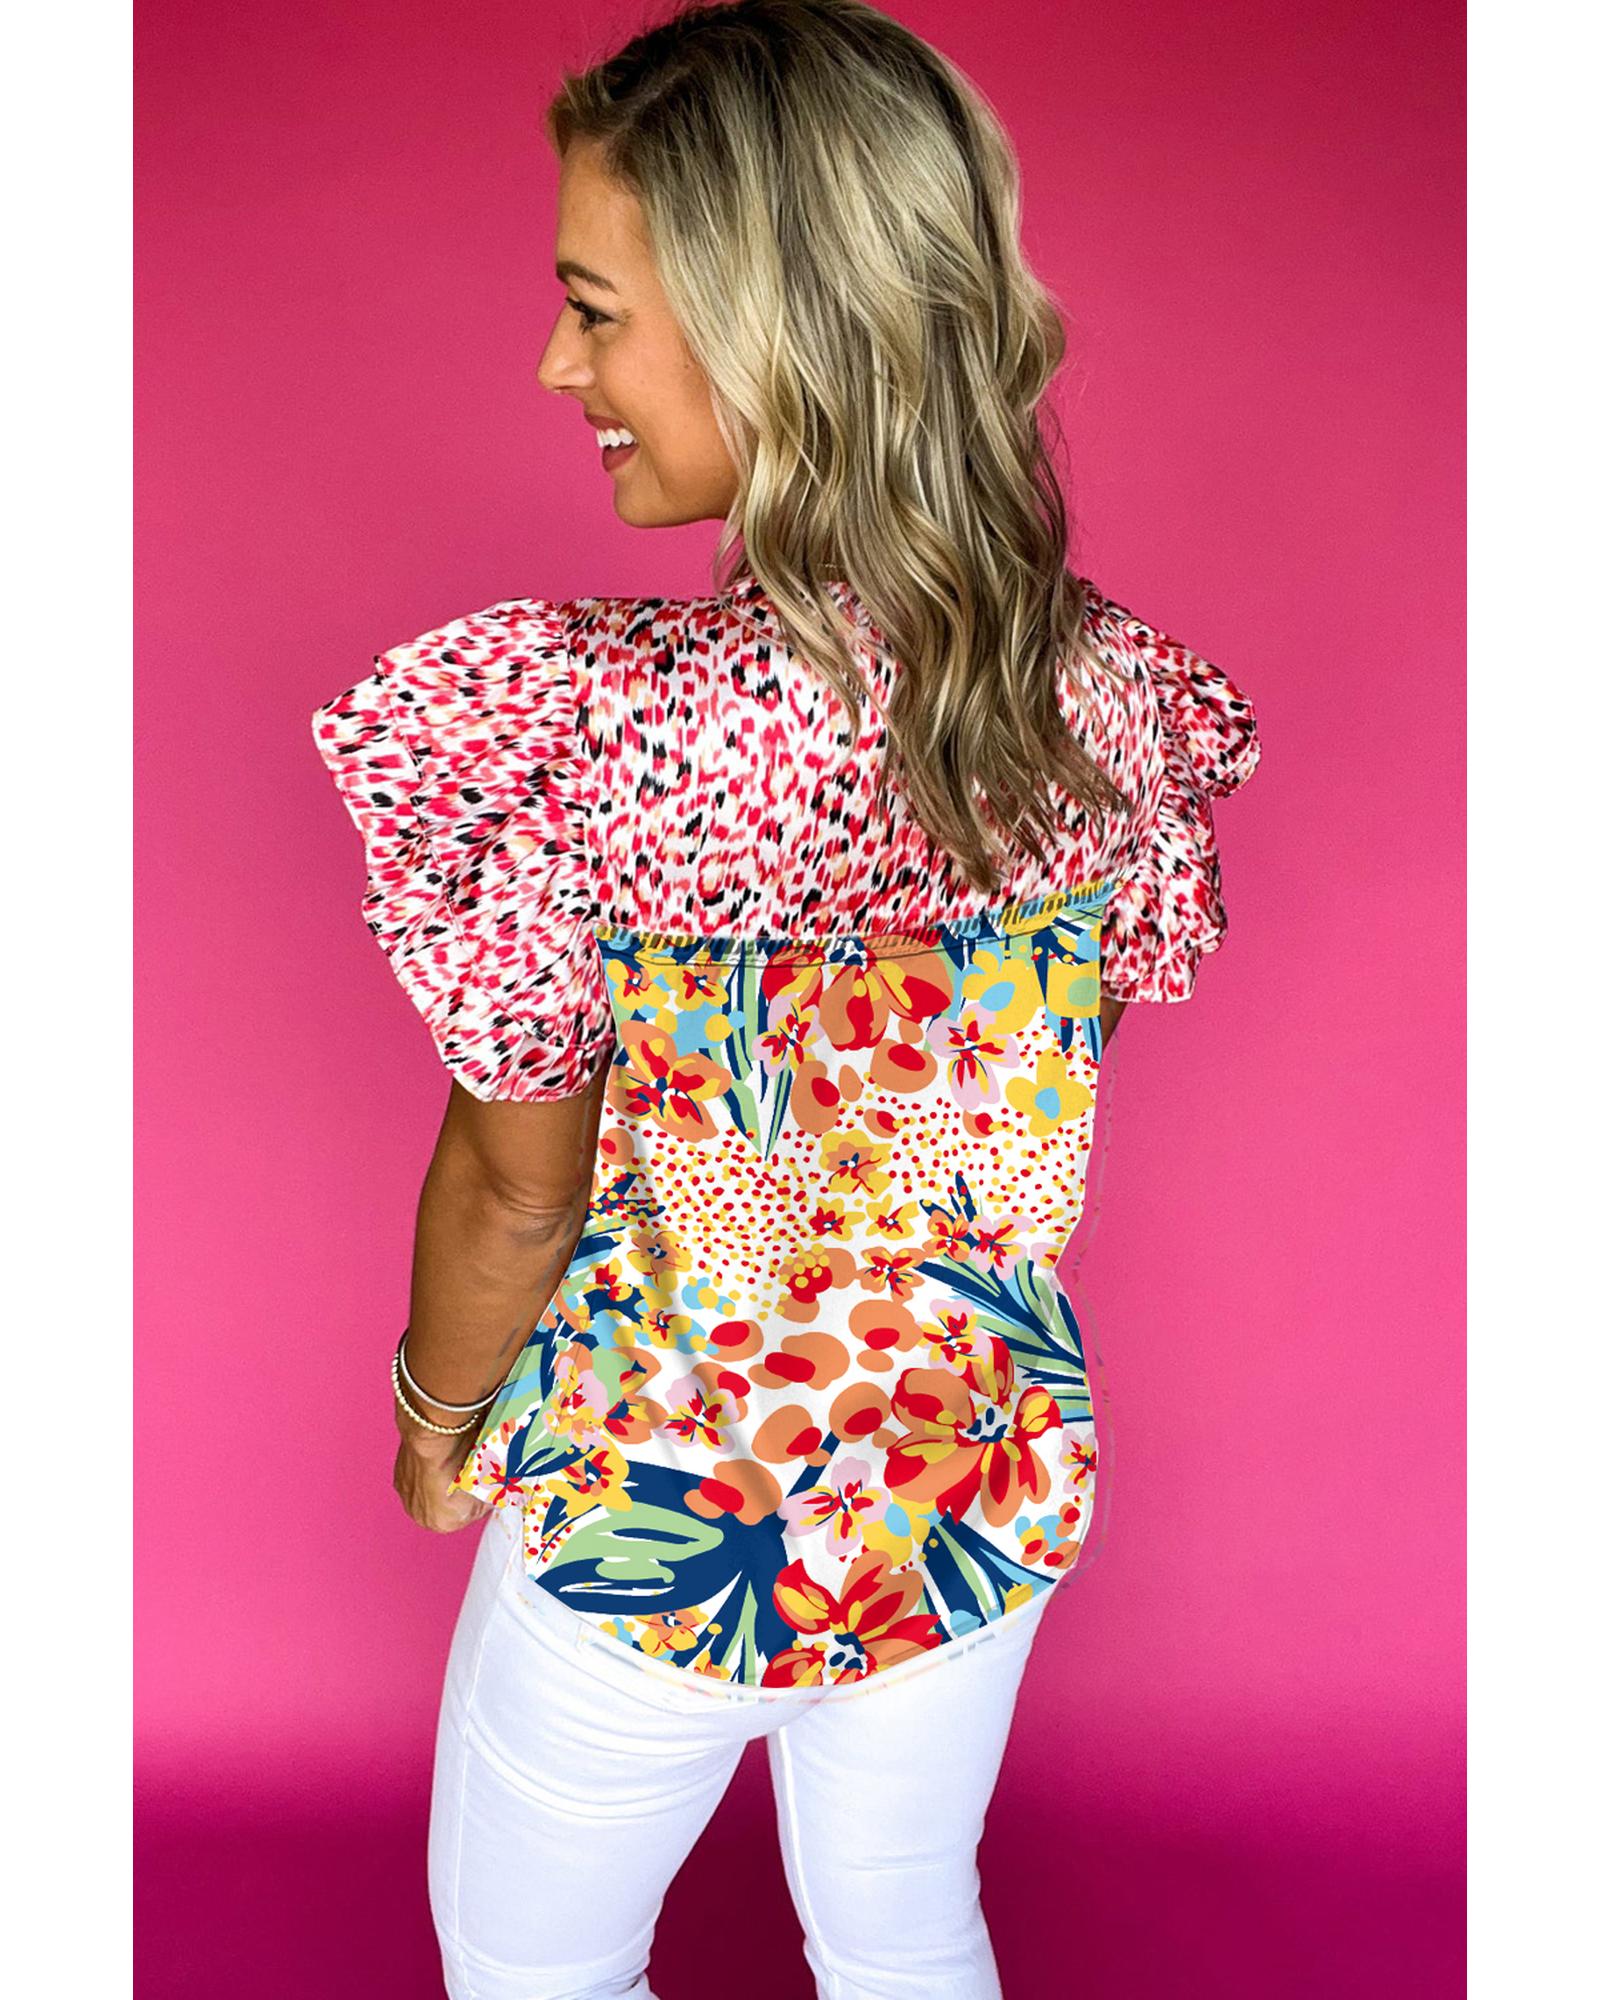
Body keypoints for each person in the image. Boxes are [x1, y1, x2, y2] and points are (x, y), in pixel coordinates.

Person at [310, 3, 1262, 1995]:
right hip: (971, 1484)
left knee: (533, 1968)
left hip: (667, 1510)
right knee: (905, 1929)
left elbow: (516, 1193)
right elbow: (993, 1106)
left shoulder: (598, 734)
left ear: (770, 332)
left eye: (594, 309)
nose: (556, 363)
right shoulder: (1106, 699)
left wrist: (432, 1418)